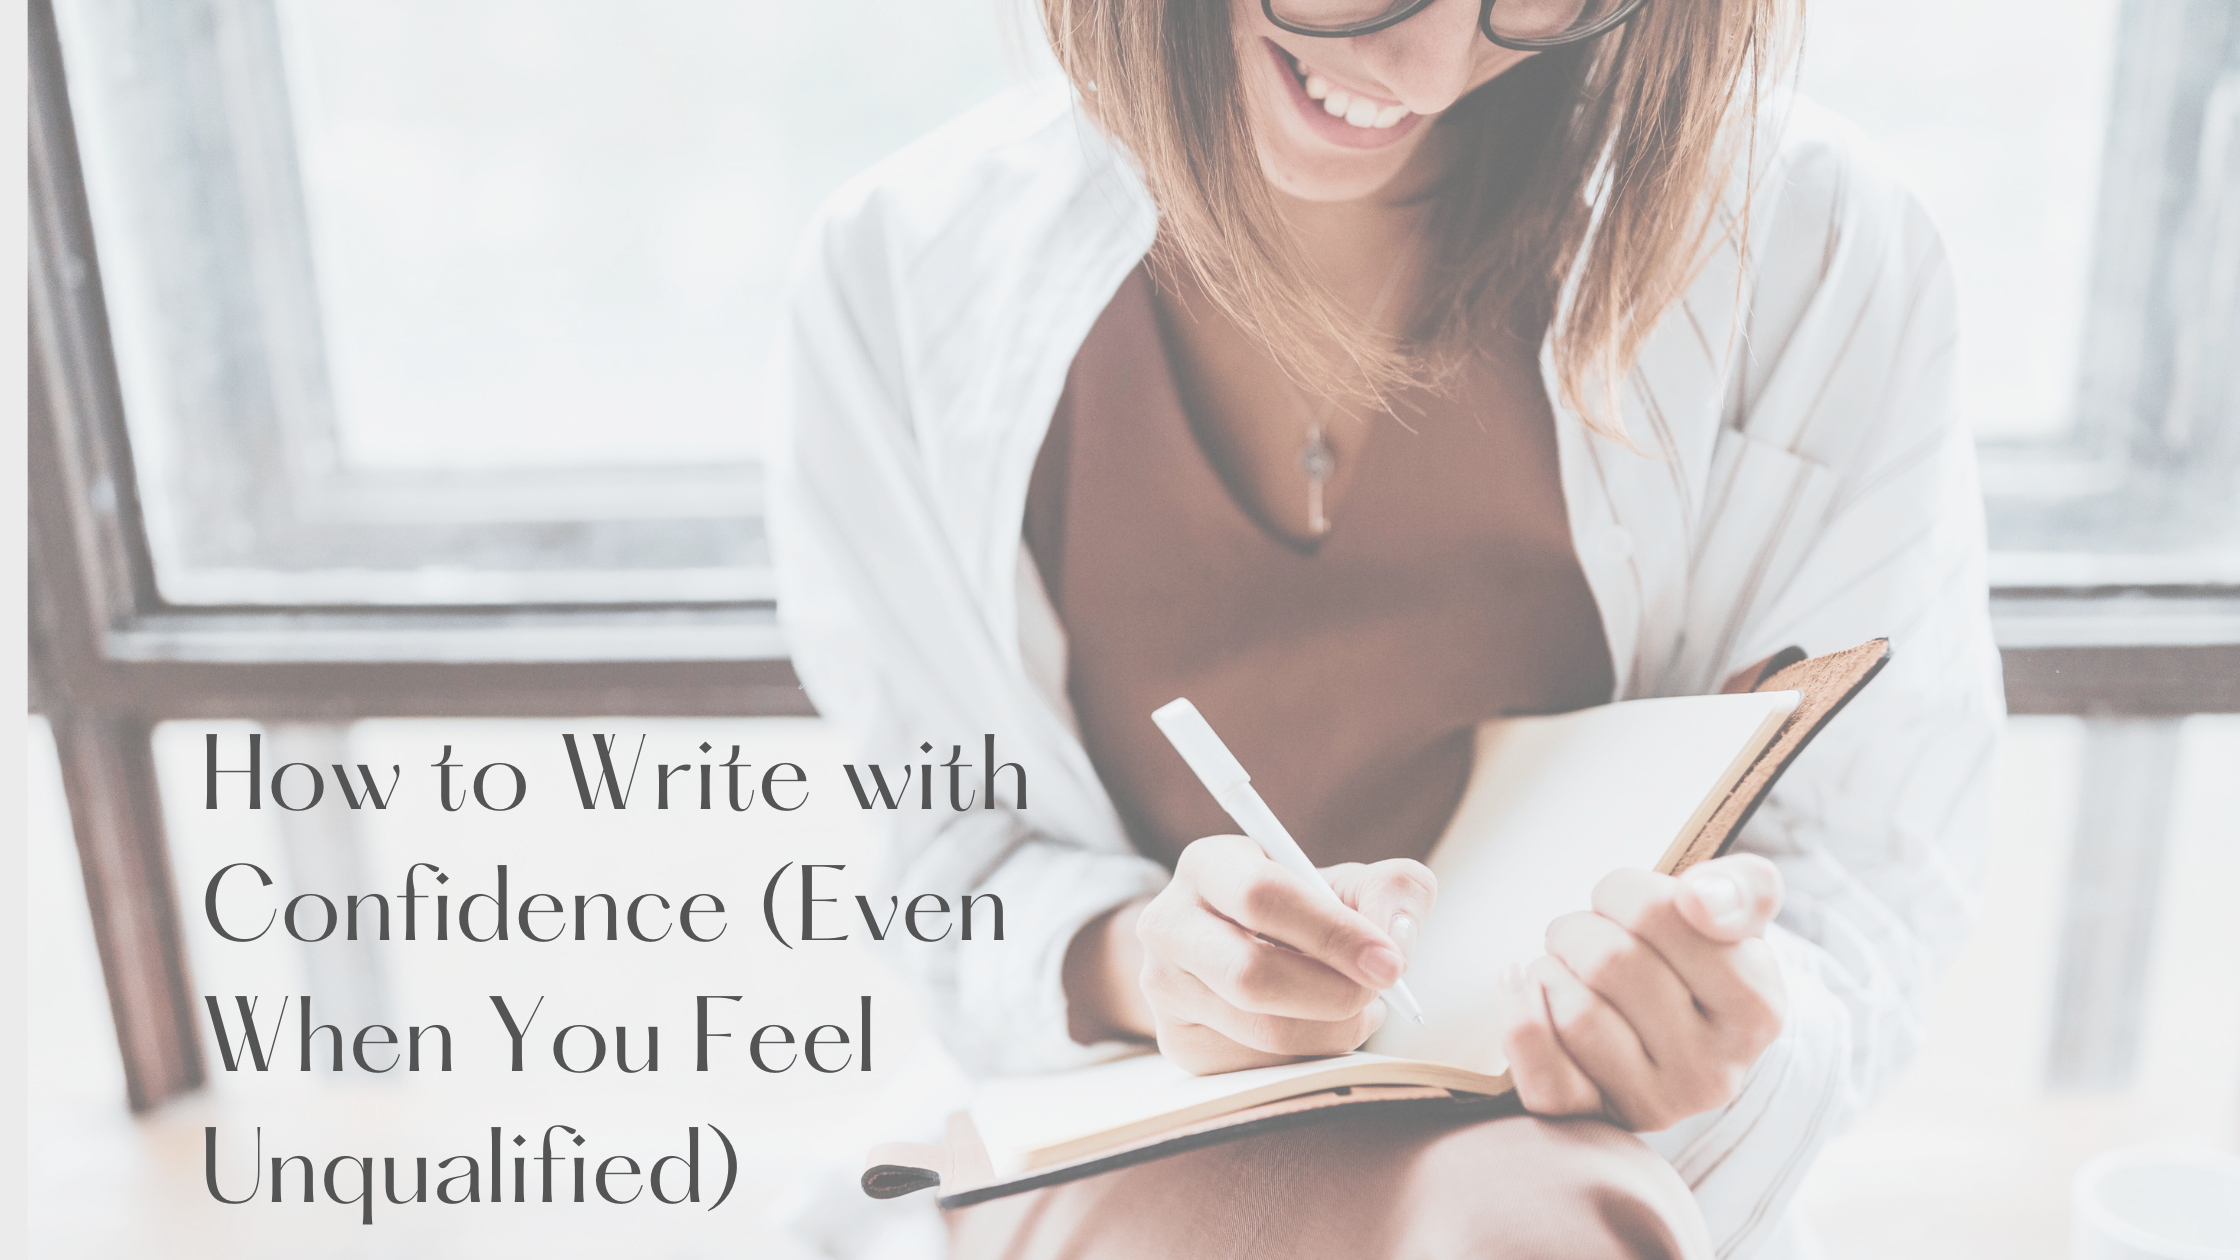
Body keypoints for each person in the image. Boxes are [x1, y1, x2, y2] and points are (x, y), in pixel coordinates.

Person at [770, 0, 2005, 1254]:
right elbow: (953, 866)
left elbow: (1869, 869)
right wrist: (1152, 962)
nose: (1425, 68)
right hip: (1125, 1115)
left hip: (1569, 1146)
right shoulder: (896, 275)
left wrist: (1719, 1019)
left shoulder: (1816, 244)